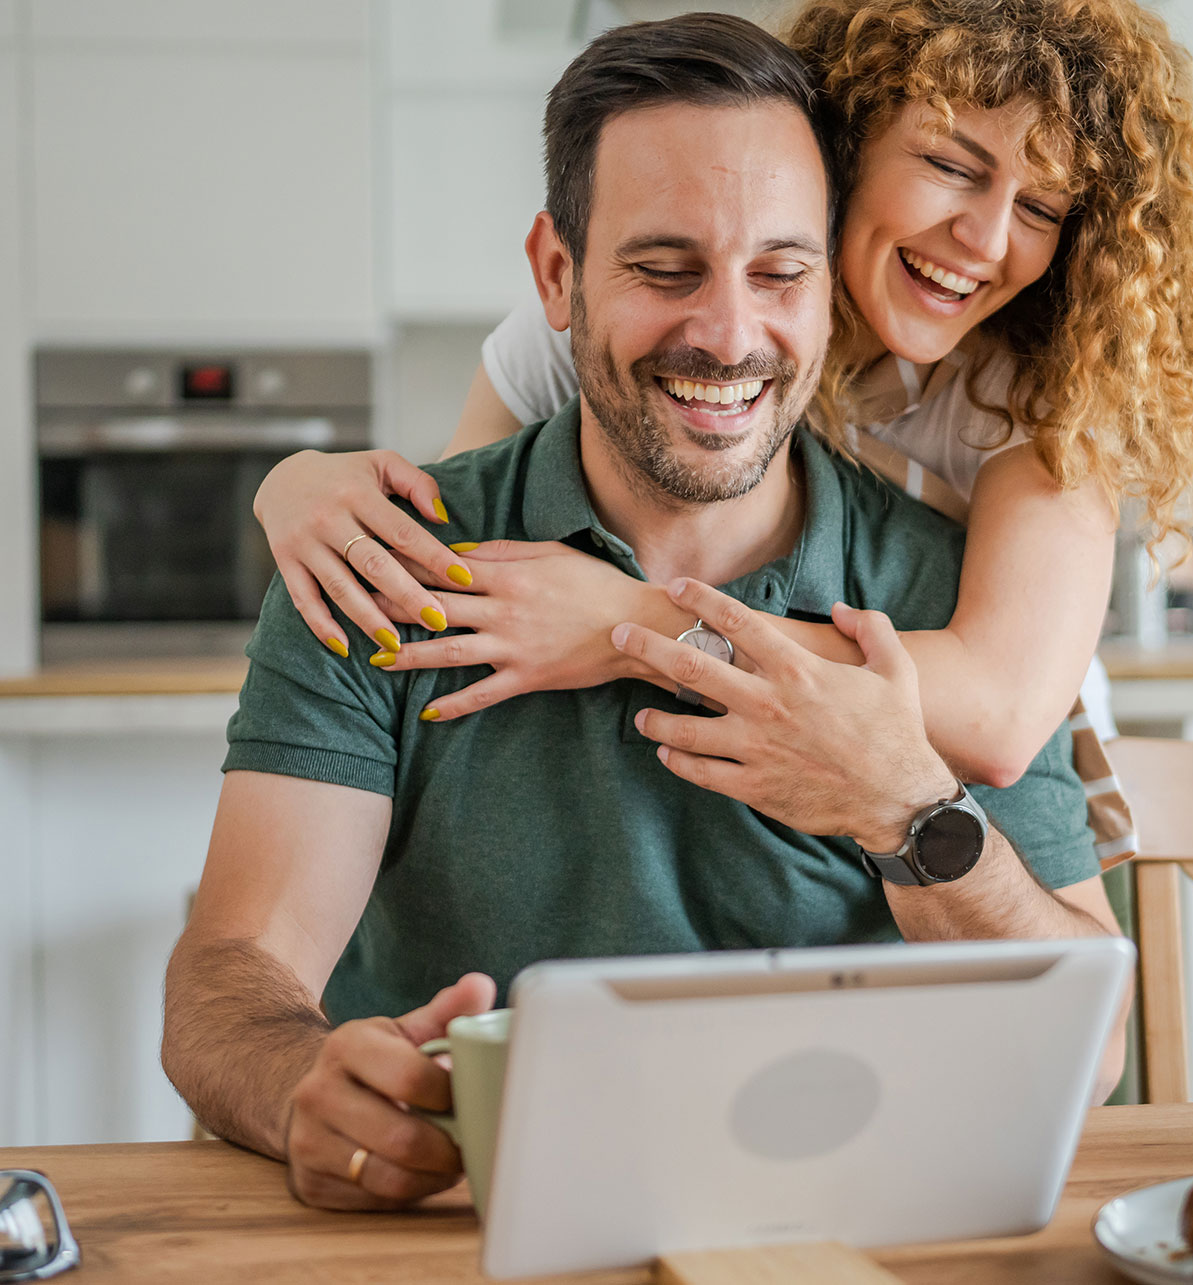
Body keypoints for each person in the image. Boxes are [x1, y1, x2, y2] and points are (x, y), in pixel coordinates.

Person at [162, 13, 1128, 1213]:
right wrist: (302, 1077)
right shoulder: (388, 561)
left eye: (779, 272)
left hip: (843, 1231)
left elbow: (1092, 1050)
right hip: (460, 1227)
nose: (726, 335)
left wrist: (905, 802)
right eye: (664, 268)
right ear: (558, 273)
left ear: (829, 283)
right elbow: (228, 977)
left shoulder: (944, 588)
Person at [251, 0, 1193, 823]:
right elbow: (479, 553)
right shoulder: (643, 312)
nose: (986, 238)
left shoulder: (1040, 400)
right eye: (952, 166)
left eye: (1044, 208)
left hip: (980, 814)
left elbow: (1001, 713)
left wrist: (628, 623)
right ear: (847, 141)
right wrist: (297, 482)